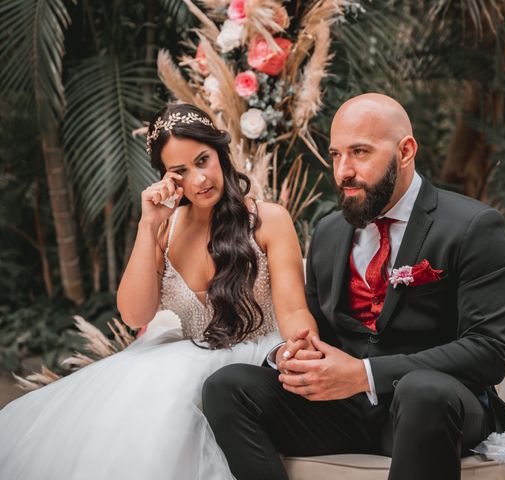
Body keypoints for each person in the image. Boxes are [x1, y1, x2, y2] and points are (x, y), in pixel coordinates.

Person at [203, 93, 505, 480]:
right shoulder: (330, 232)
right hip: (347, 411)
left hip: (436, 408)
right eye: (336, 155)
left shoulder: (473, 226)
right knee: (227, 386)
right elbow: (320, 329)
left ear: (405, 151)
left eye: (360, 152)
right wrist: (295, 355)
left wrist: (365, 374)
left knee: (422, 391)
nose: (343, 171)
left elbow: (489, 351)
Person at [0, 103, 318, 480]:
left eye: (203, 160)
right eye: (180, 172)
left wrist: (304, 344)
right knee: (138, 398)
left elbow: (294, 309)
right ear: (165, 178)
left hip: (256, 356)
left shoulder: (268, 220)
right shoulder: (165, 230)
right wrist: (148, 226)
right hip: (189, 353)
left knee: (169, 391)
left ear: (220, 153)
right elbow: (135, 315)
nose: (199, 179)